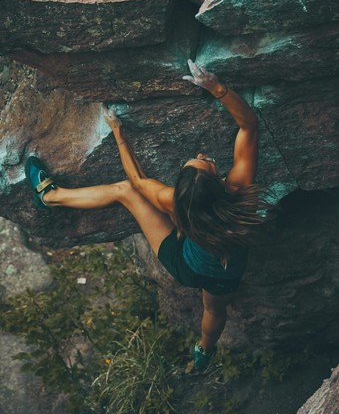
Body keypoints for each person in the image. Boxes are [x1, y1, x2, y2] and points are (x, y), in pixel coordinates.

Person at [25, 59, 260, 370]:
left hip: (185, 264)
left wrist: (119, 133)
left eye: (199, 161)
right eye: (204, 161)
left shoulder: (173, 203)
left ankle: (52, 197)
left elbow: (136, 182)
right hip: (223, 273)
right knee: (215, 311)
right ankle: (204, 351)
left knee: (125, 192)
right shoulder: (239, 193)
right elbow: (249, 126)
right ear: (218, 183)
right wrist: (217, 88)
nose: (202, 155)